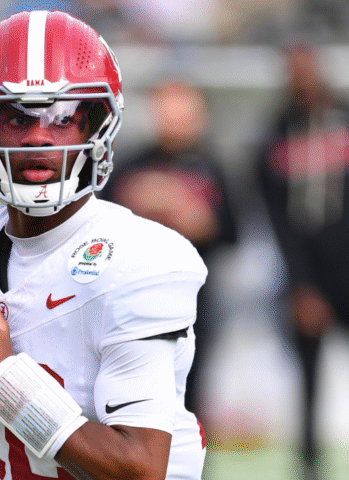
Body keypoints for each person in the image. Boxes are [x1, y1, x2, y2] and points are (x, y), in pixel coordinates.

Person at [0, 10, 208, 479]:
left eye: (63, 115)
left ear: (97, 125)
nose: (38, 137)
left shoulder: (144, 258)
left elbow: (141, 468)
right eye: (14, 117)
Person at [256, 41, 349, 480]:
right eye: (293, 70)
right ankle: (309, 468)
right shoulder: (276, 135)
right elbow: (276, 222)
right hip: (307, 283)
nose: (302, 77)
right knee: (309, 383)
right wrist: (300, 286)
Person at [98, 79, 238, 426]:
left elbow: (231, 232)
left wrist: (197, 220)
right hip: (133, 303)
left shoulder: (211, 166)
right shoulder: (130, 166)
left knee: (191, 399)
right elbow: (100, 231)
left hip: (195, 304)